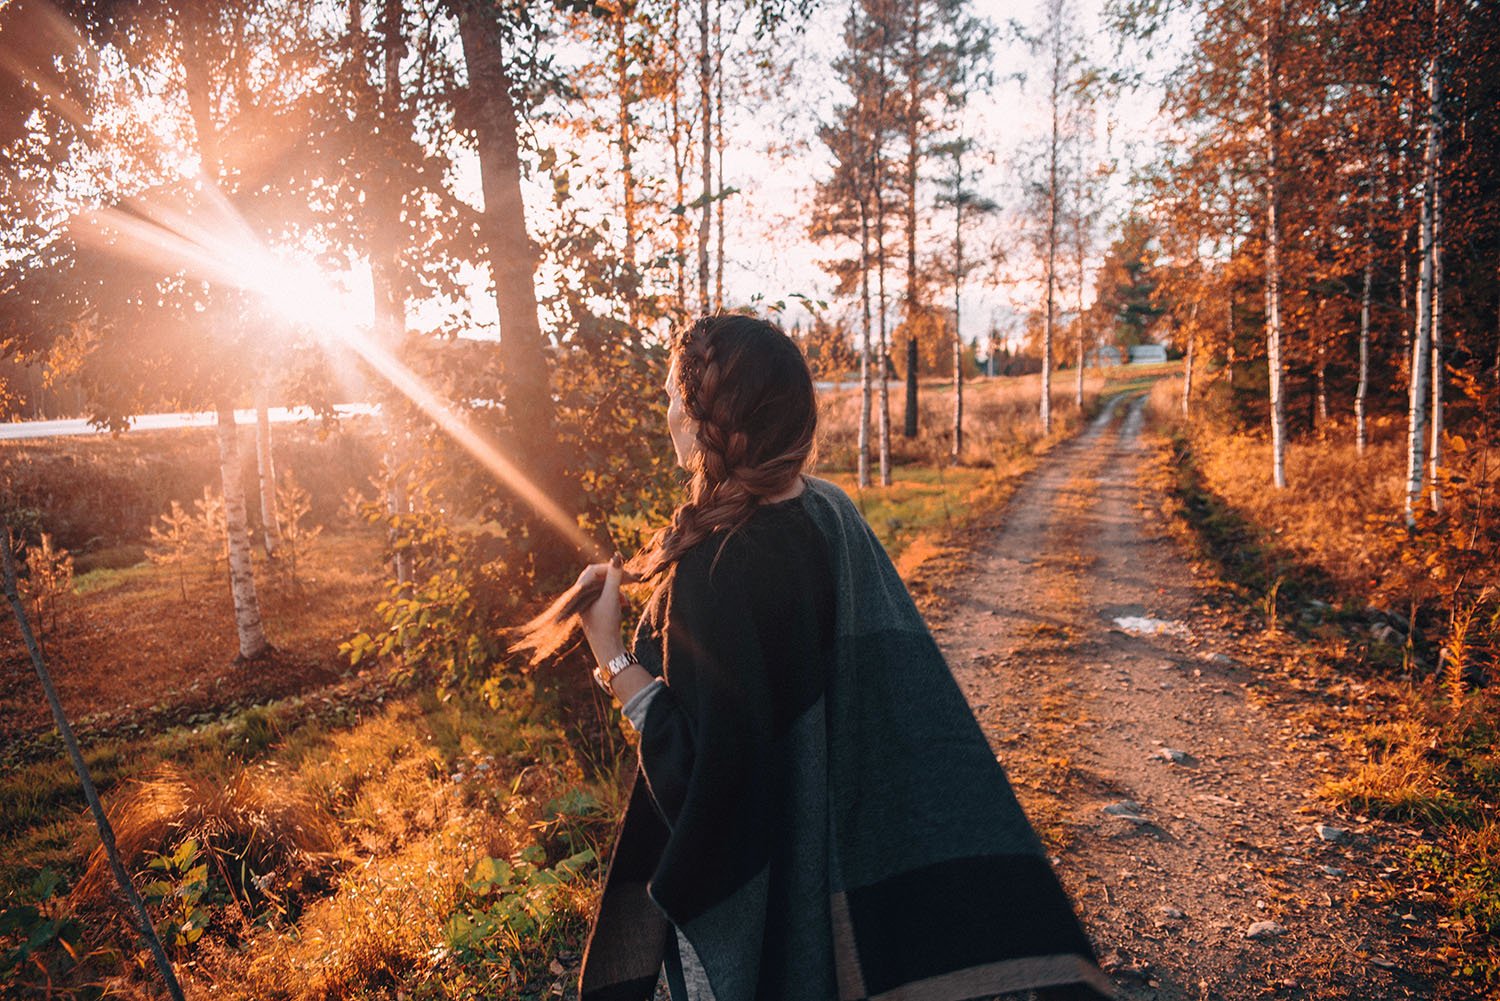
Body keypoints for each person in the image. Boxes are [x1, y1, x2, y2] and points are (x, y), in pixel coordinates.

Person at [518, 314, 1113, 1001]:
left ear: (708, 415)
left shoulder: (714, 569)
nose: (668, 410)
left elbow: (704, 785)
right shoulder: (833, 511)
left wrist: (612, 655)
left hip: (764, 896)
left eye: (674, 394)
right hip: (842, 864)